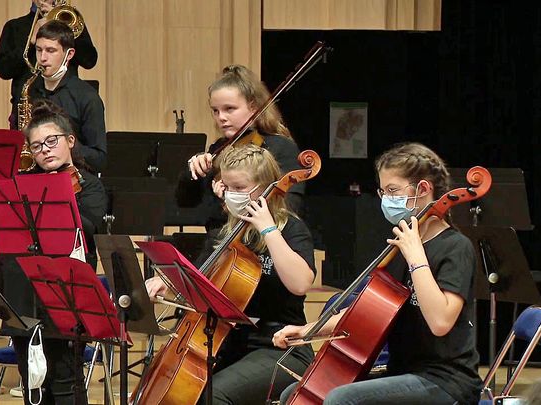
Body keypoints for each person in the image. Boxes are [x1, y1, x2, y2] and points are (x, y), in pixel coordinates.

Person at [274, 142, 482, 405]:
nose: (386, 200)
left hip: (446, 381)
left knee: (341, 400)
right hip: (401, 372)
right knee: (293, 394)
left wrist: (416, 257)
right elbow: (363, 313)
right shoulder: (399, 247)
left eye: (393, 191)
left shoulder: (454, 247)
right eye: (383, 191)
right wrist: (307, 330)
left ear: (424, 189)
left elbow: (440, 322)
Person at [145, 144, 316, 404]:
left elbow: (300, 284)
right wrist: (167, 284)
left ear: (267, 188)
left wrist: (269, 230)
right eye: (227, 187)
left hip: (279, 346)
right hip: (228, 343)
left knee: (216, 395)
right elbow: (198, 283)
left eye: (239, 188)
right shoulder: (222, 234)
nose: (231, 195)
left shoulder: (291, 229)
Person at [0, 99, 107, 405]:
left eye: (51, 141)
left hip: (66, 296)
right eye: (36, 146)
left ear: (70, 141)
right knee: (32, 382)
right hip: (24, 295)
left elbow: (85, 228)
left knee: (65, 381)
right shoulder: (21, 185)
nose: (44, 150)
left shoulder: (90, 187)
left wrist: (61, 196)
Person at [176, 64, 304, 231]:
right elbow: (185, 202)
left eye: (229, 109)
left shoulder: (281, 148)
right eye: (215, 111)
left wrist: (229, 200)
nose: (221, 117)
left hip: (262, 246)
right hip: (218, 244)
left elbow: (288, 208)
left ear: (253, 107)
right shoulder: (218, 149)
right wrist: (192, 173)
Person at [0, 0, 98, 130]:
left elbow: (89, 61)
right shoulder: (15, 26)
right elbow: (3, 70)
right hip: (28, 107)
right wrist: (31, 40)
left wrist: (64, 28)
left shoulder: (70, 20)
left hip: (66, 108)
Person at [26, 20, 106, 173]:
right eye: (38, 50)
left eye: (50, 50)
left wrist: (62, 147)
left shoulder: (87, 96)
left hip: (75, 181)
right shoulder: (29, 90)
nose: (42, 58)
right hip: (33, 177)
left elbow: (99, 159)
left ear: (69, 54)